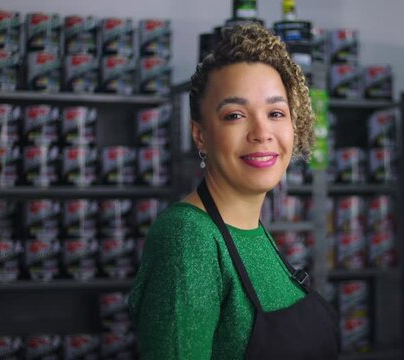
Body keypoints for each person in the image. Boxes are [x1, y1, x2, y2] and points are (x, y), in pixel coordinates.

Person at [128, 24, 339, 359]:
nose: (261, 132)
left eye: (275, 113)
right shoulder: (189, 238)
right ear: (200, 135)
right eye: (235, 115)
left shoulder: (253, 232)